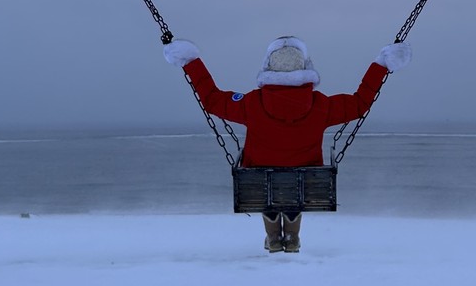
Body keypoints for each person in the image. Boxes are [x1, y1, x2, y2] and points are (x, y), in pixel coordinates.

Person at [163, 35, 412, 252]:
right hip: (306, 183)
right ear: (304, 67)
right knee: (295, 191)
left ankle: (273, 236)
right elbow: (359, 103)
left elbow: (213, 100)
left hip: (257, 181)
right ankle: (291, 236)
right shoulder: (321, 106)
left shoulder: (251, 103)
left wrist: (191, 62)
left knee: (266, 191)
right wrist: (382, 65)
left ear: (268, 67)